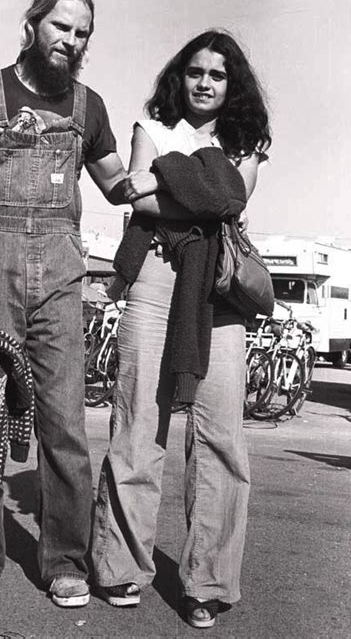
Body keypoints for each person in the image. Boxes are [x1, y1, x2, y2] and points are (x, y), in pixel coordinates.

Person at [0, 0, 127, 608]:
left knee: (65, 422)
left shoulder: (89, 108)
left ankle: (67, 560)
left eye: (82, 33)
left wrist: (173, 171)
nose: (71, 41)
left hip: (62, 280)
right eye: (61, 27)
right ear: (32, 24)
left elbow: (117, 183)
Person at [92, 30, 271, 628]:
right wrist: (183, 186)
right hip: (153, 278)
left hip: (217, 290)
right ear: (180, 74)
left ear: (232, 84)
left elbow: (230, 203)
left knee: (220, 435)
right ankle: (121, 568)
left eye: (218, 75)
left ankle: (208, 581)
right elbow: (137, 203)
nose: (204, 83)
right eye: (195, 71)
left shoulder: (246, 140)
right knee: (140, 421)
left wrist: (160, 178)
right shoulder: (154, 124)